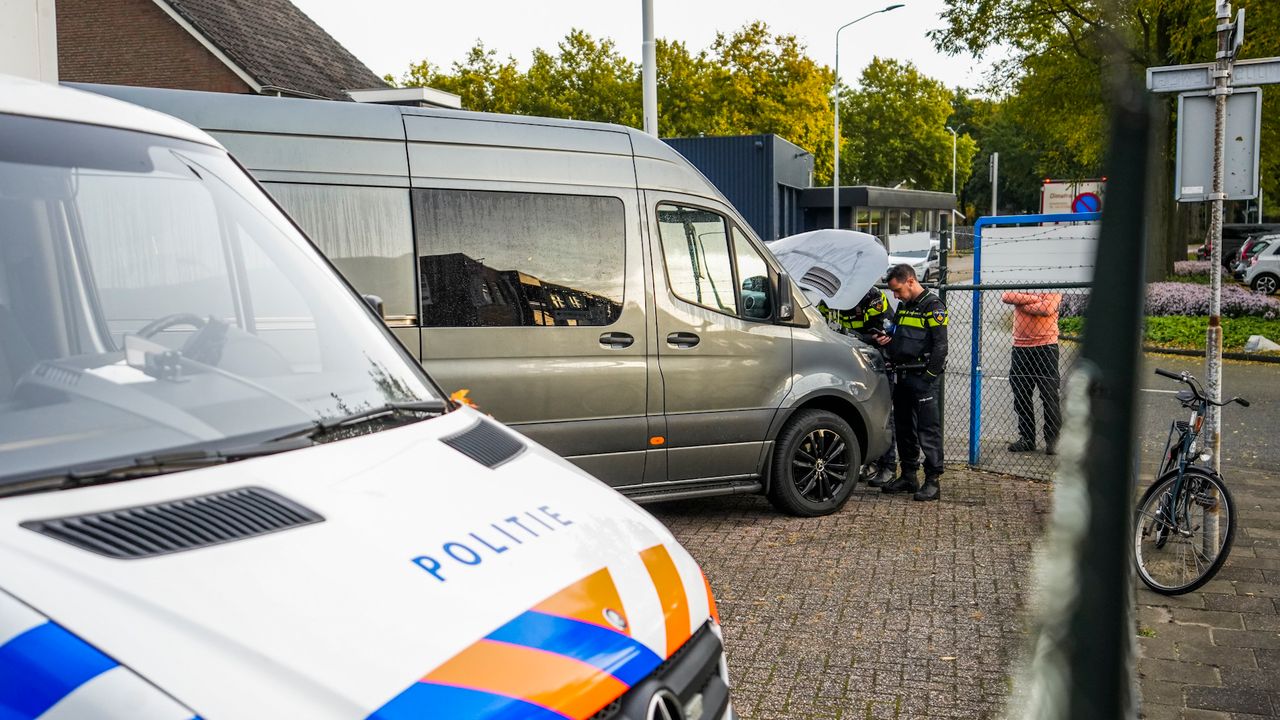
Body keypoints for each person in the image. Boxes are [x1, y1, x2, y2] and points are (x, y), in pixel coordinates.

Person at [873, 264, 947, 501]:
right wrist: (886, 340)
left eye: (897, 290)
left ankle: (933, 481)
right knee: (904, 427)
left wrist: (929, 378)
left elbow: (940, 346)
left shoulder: (933, 306)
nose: (894, 295)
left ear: (911, 281)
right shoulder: (904, 307)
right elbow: (897, 334)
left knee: (928, 430)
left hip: (922, 378)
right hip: (902, 376)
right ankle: (908, 475)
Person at [818, 288, 898, 487]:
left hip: (874, 362)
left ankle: (888, 466)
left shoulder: (873, 298)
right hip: (844, 364)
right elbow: (822, 327)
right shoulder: (828, 298)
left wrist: (853, 336)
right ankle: (865, 464)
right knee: (857, 415)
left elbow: (882, 334)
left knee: (881, 415)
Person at [1001, 290, 1062, 455]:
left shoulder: (1053, 286)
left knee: (1049, 395)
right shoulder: (1022, 281)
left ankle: (1053, 442)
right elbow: (1007, 296)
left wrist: (1020, 302)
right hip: (1020, 348)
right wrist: (1036, 299)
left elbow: (1047, 308)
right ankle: (1027, 439)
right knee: (1021, 395)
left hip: (1046, 347)